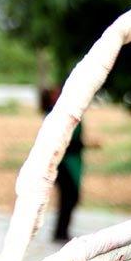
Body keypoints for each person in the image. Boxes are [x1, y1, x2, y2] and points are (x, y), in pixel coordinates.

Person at [40, 87, 85, 242]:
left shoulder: (65, 113)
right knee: (69, 197)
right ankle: (60, 232)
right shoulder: (56, 116)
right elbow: (63, 142)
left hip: (69, 162)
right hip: (63, 164)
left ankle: (61, 231)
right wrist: (82, 144)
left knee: (70, 197)